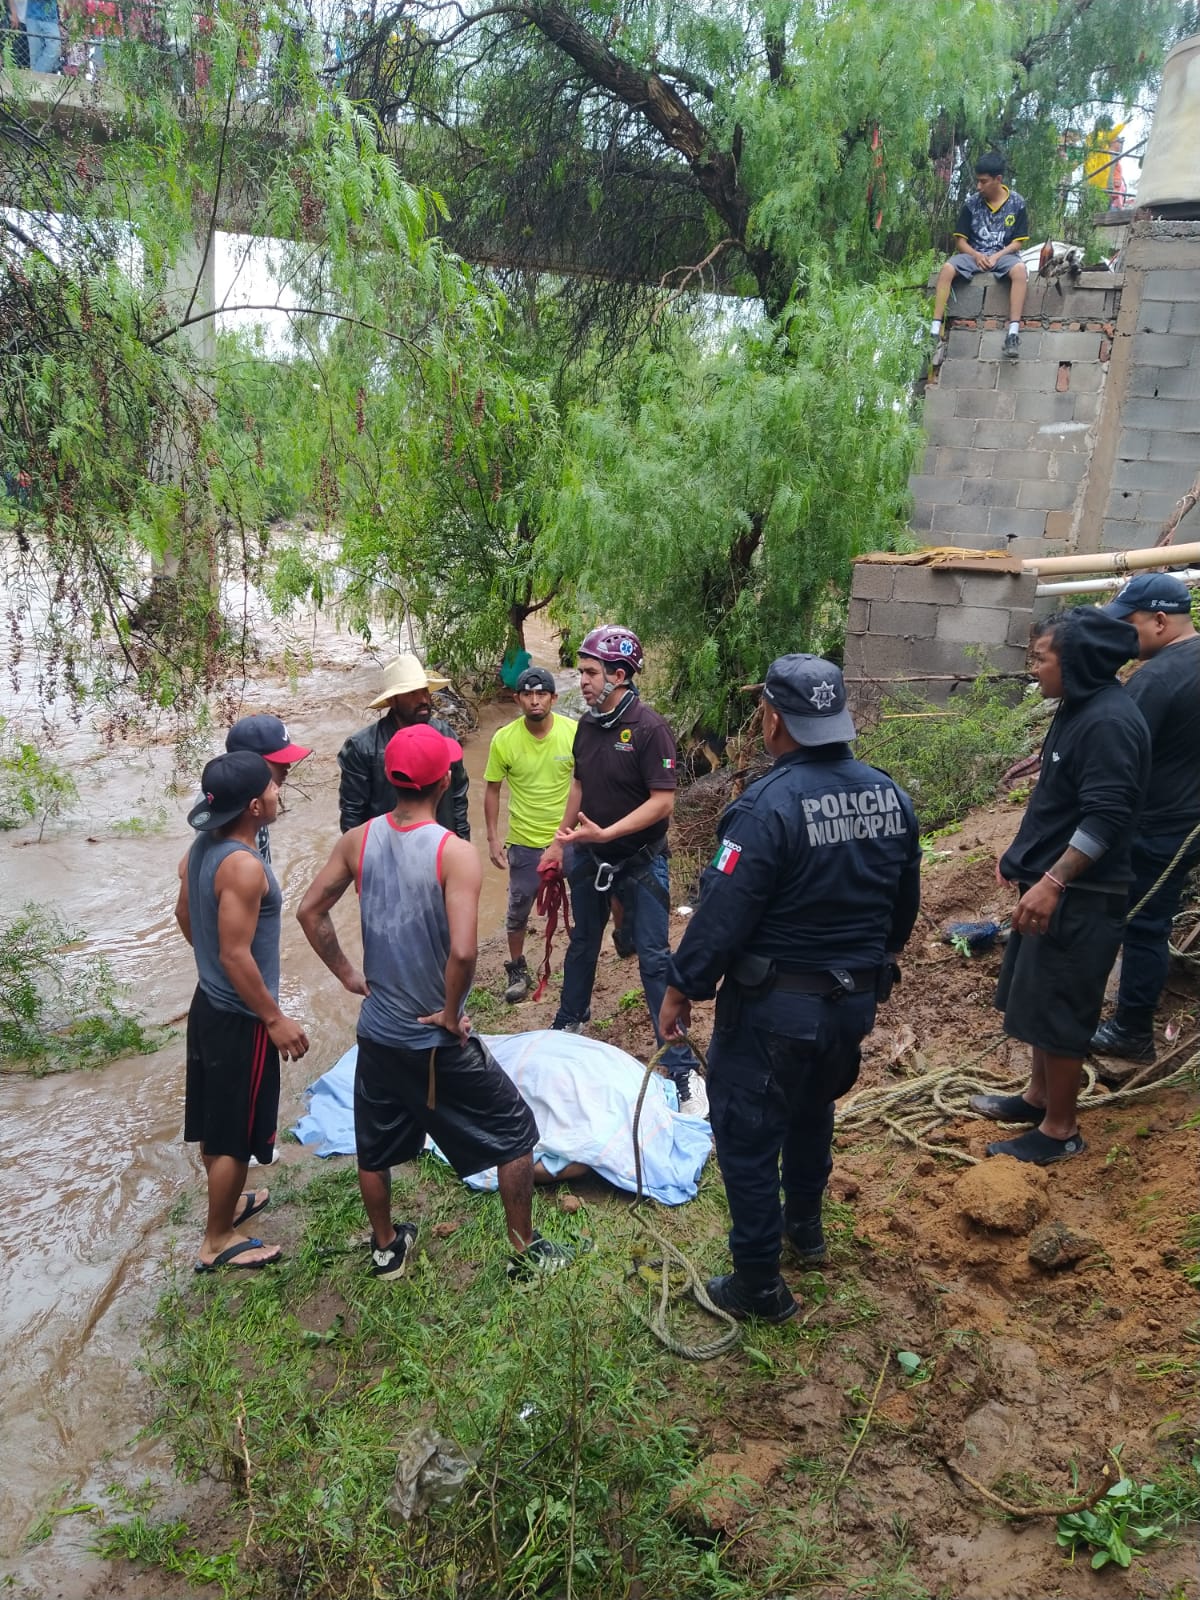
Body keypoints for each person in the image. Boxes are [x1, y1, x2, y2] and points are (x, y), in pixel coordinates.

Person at [659, 656, 921, 1323]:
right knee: (811, 1109)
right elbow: (902, 906)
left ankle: (757, 1284)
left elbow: (721, 912)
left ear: (774, 719)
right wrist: (873, 964)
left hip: (775, 1009)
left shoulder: (766, 808)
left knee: (747, 1133)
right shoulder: (890, 796)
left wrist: (682, 987)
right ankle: (804, 1228)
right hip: (852, 1003)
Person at [298, 723, 573, 1281]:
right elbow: (465, 951)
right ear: (445, 780)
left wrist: (349, 974)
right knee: (515, 1130)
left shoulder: (359, 840)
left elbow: (309, 911)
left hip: (375, 1032)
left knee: (373, 1145)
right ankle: (524, 1251)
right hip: (432, 1039)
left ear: (391, 778)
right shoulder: (455, 853)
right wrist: (450, 1014)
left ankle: (386, 1249)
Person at [968, 607, 1149, 1164]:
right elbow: (1059, 800)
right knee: (1040, 998)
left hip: (1081, 897)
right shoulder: (1077, 708)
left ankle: (1060, 1130)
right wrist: (1020, 857)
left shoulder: (1109, 723)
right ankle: (1038, 1097)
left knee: (1064, 1004)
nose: (1033, 672)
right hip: (1050, 886)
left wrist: (1051, 880)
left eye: (1040, 660)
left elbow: (1105, 817)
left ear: (1078, 662)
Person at [540, 624, 705, 1115]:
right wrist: (557, 841)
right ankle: (569, 1024)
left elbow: (662, 802)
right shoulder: (589, 726)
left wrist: (608, 834)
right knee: (582, 943)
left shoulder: (650, 729)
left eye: (590, 673)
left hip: (641, 861)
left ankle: (681, 1069)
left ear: (619, 675)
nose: (582, 682)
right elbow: (579, 784)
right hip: (589, 857)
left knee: (654, 959)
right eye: (581, 671)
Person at [174, 751, 310, 1272]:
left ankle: (226, 1204)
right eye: (273, 788)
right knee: (233, 1129)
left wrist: (209, 962)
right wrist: (273, 1018)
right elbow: (236, 954)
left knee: (216, 1115)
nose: (279, 793)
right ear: (255, 805)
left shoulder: (201, 846)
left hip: (208, 1000)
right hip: (240, 1018)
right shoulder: (246, 867)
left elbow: (184, 911)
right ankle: (217, 1238)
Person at [1089, 576, 1200, 1063]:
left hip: (1164, 825)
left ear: (1160, 621)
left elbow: (1119, 757)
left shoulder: (1157, 679)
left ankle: (1132, 1030)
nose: (1124, 638)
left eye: (1129, 625)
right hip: (1188, 817)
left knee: (1144, 924)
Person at [483, 665, 576, 1003]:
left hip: (571, 838)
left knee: (584, 904)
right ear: (517, 699)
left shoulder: (574, 733)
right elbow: (491, 789)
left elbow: (588, 784)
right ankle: (518, 967)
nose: (535, 700)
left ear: (554, 697)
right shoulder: (504, 739)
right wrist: (493, 837)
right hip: (524, 842)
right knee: (518, 907)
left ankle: (579, 967)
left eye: (542, 694)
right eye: (528, 694)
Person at [337, 653, 469, 839]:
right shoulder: (362, 748)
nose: (423, 700)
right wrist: (362, 861)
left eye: (424, 691)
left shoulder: (445, 735)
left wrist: (462, 845)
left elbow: (458, 797)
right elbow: (352, 816)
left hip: (440, 846)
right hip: (388, 849)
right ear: (392, 700)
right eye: (411, 693)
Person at [930, 152, 1030, 360]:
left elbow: (1018, 242)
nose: (979, 186)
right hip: (974, 254)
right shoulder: (971, 204)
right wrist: (976, 255)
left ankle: (1012, 334)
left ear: (998, 180)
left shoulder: (1017, 203)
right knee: (947, 269)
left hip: (1003, 255)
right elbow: (960, 242)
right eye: (977, 181)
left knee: (1020, 271)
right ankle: (935, 330)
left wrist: (997, 256)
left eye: (983, 182)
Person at [225, 713, 311, 864]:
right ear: (249, 763)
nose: (287, 766)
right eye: (278, 761)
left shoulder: (256, 796)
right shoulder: (223, 802)